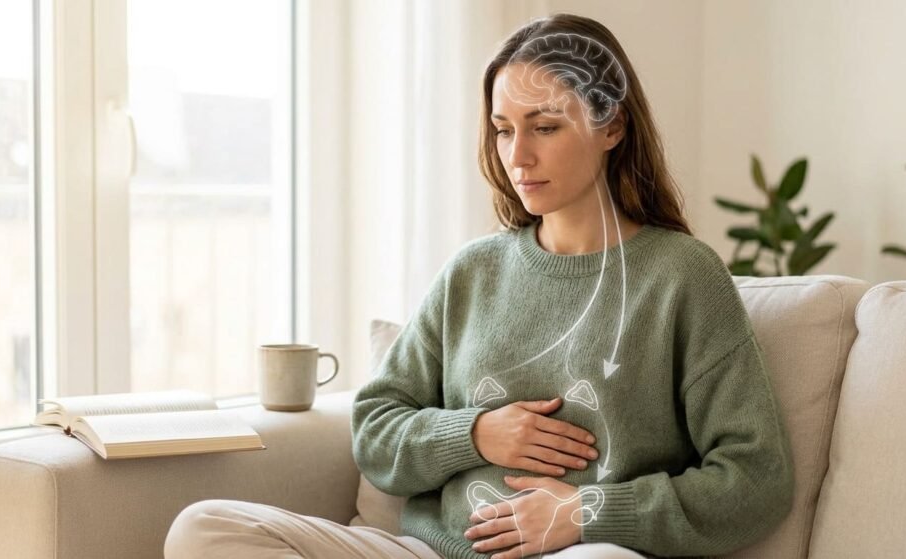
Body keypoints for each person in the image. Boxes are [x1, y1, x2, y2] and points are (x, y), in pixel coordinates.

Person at [164, 12, 794, 559]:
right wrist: (474, 433)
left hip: (589, 553)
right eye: (502, 128)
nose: (517, 155)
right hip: (433, 552)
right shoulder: (473, 271)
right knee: (206, 530)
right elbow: (377, 430)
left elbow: (755, 479)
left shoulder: (682, 276)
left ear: (611, 126)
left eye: (544, 126)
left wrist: (586, 513)